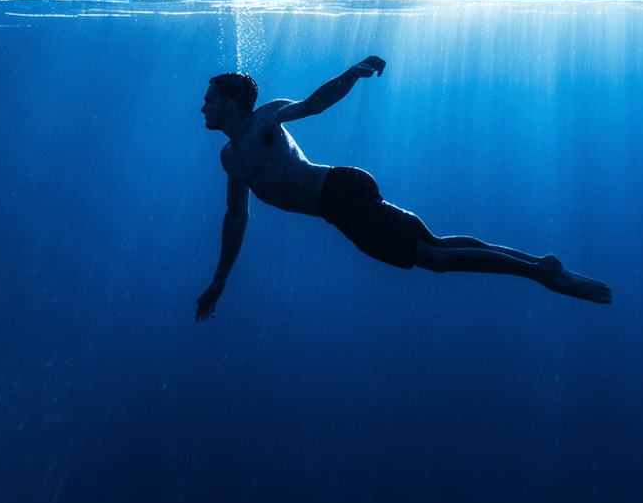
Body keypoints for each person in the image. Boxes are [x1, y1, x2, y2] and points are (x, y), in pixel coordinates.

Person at [195, 56, 612, 321]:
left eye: (209, 98)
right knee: (435, 245)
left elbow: (312, 105)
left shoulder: (264, 120)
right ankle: (540, 263)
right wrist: (220, 281)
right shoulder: (230, 158)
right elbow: (237, 216)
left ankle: (540, 273)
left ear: (229, 103)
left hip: (341, 192)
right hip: (337, 208)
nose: (203, 106)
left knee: (435, 259)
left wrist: (352, 74)